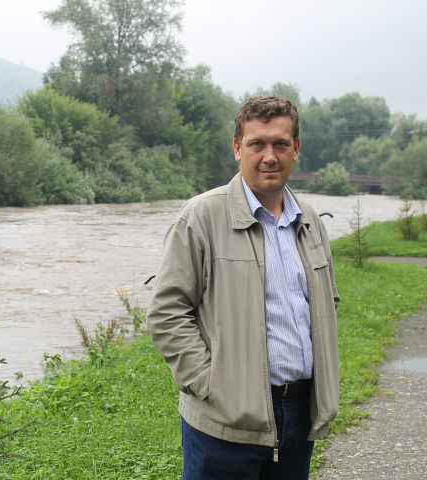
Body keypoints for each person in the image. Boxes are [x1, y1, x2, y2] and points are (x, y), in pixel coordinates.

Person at [147, 95, 340, 480]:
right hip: (223, 424)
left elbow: (326, 303)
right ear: (238, 148)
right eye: (257, 144)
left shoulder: (310, 221)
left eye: (280, 144)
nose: (269, 156)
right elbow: (166, 314)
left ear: (296, 148)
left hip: (299, 415)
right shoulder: (201, 217)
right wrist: (209, 383)